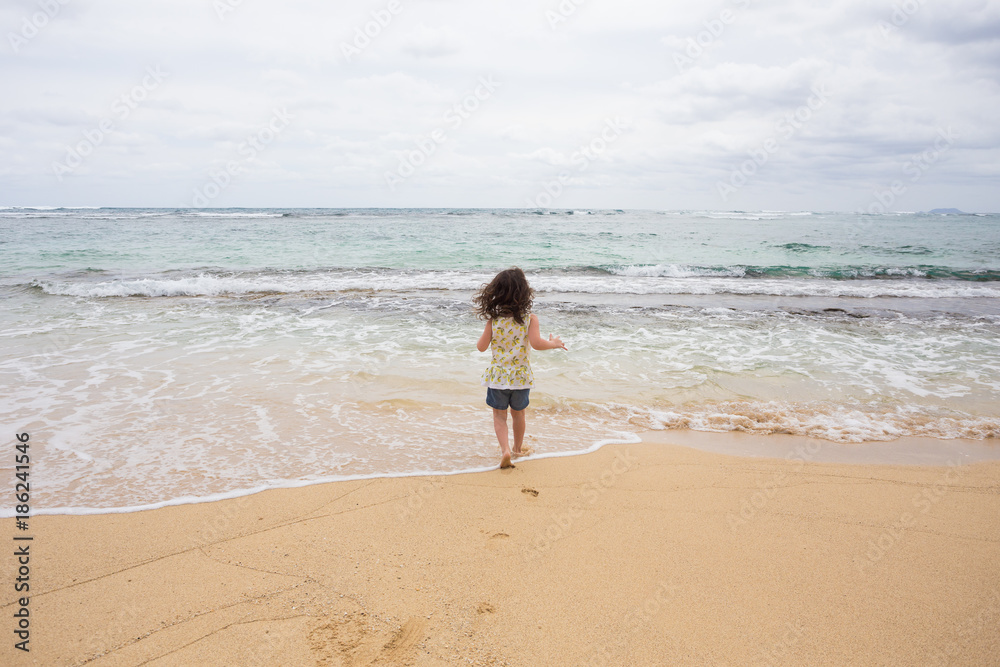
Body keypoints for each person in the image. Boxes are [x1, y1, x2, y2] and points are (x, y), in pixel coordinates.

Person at [473, 267, 566, 469]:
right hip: (520, 378)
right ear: (524, 293)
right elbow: (537, 344)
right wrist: (555, 344)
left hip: (498, 378)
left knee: (499, 416)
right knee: (519, 414)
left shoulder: (494, 321)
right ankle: (517, 449)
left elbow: (481, 348)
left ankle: (504, 450)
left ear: (496, 293)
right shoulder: (529, 319)